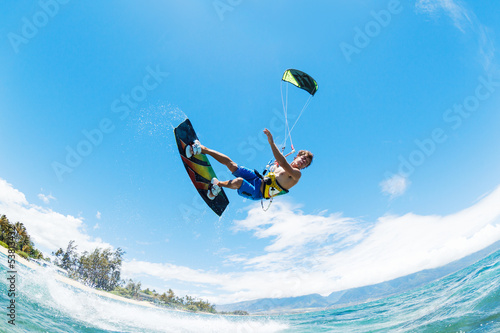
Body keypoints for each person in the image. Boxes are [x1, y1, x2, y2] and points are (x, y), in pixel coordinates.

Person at [186, 128, 313, 200]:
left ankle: (216, 187)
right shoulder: (279, 167)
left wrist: (271, 142)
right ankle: (202, 149)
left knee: (239, 181)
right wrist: (275, 166)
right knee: (232, 165)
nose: (303, 161)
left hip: (257, 192)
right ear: (297, 156)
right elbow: (277, 165)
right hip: (257, 180)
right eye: (302, 158)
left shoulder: (297, 175)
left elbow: (282, 162)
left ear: (304, 167)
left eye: (305, 162)